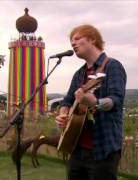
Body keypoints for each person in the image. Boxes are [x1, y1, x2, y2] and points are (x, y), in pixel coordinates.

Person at [55, 24, 127, 180]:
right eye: (71, 42)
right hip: (76, 148)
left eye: (77, 39)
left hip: (102, 150)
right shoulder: (79, 74)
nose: (73, 44)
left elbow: (116, 100)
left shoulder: (112, 66)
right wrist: (63, 115)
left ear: (92, 39)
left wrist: (95, 103)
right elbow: (67, 100)